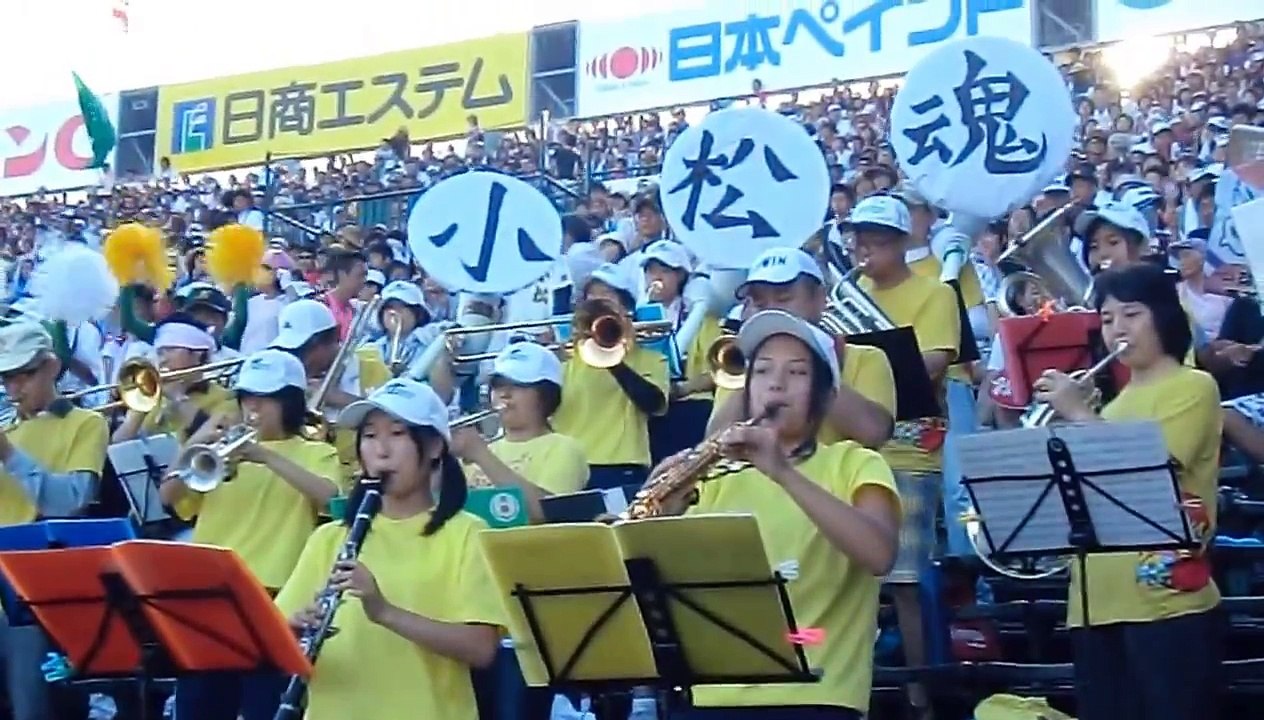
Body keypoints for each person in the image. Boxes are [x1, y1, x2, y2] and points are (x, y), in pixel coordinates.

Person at [659, 310, 900, 720]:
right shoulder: (714, 475)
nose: (776, 382)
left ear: (825, 396)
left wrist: (783, 472)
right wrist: (661, 515)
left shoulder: (853, 463)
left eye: (798, 372)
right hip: (713, 695)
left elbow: (879, 554)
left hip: (817, 688)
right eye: (763, 371)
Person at [1032, 264, 1222, 720]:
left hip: (1167, 604)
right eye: (1108, 317)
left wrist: (1078, 414)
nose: (1118, 328)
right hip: (1094, 604)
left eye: (1131, 314)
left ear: (1163, 316)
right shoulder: (1110, 406)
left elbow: (1148, 468)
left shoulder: (1192, 386)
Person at [274, 378, 503, 720]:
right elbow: (275, 644)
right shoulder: (330, 538)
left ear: (434, 447)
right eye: (369, 436)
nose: (380, 450)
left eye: (396, 434)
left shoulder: (467, 534)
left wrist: (384, 612)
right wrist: (295, 628)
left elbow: (482, 649)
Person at [159, 349, 343, 720]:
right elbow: (168, 496)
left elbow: (333, 499)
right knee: (198, 706)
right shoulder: (216, 453)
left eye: (264, 399)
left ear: (289, 402)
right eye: (246, 398)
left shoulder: (315, 451)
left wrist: (265, 456)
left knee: (265, 705)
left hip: (275, 598)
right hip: (209, 597)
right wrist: (197, 442)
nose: (252, 408)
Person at [850, 195, 959, 720]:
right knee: (850, 579)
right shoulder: (847, 294)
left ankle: (920, 698)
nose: (864, 249)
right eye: (859, 239)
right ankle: (853, 683)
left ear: (900, 243)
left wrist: (870, 365)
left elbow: (937, 360)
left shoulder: (935, 292)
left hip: (913, 446)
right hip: (854, 449)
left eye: (875, 240)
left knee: (906, 579)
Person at [0, 322, 109, 720]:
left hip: (33, 592)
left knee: (33, 708)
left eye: (23, 376)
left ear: (51, 366)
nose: (14, 389)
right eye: (6, 379)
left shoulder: (85, 423)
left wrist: (9, 455)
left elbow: (71, 501)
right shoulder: (8, 428)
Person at [707, 247, 895, 451]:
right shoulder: (739, 366)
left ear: (820, 299)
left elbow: (875, 434)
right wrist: (755, 373)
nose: (771, 309)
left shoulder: (866, 357)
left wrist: (819, 368)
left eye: (783, 299)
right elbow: (715, 442)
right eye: (759, 302)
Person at [552, 263, 669, 490]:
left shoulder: (652, 358)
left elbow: (654, 404)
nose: (596, 303)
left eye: (606, 296)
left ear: (627, 309)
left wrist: (611, 358)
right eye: (590, 297)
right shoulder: (565, 358)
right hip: (566, 464)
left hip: (621, 465)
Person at [451, 342, 588, 522]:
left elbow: (546, 514)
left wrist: (481, 455)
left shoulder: (564, 448)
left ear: (546, 394)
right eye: (498, 385)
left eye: (519, 385)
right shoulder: (478, 450)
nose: (504, 393)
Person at [110, 314, 237, 443]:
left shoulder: (225, 397)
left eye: (171, 350)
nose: (163, 360)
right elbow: (117, 443)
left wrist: (177, 398)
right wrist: (140, 408)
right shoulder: (152, 395)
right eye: (160, 352)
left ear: (198, 355)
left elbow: (219, 437)